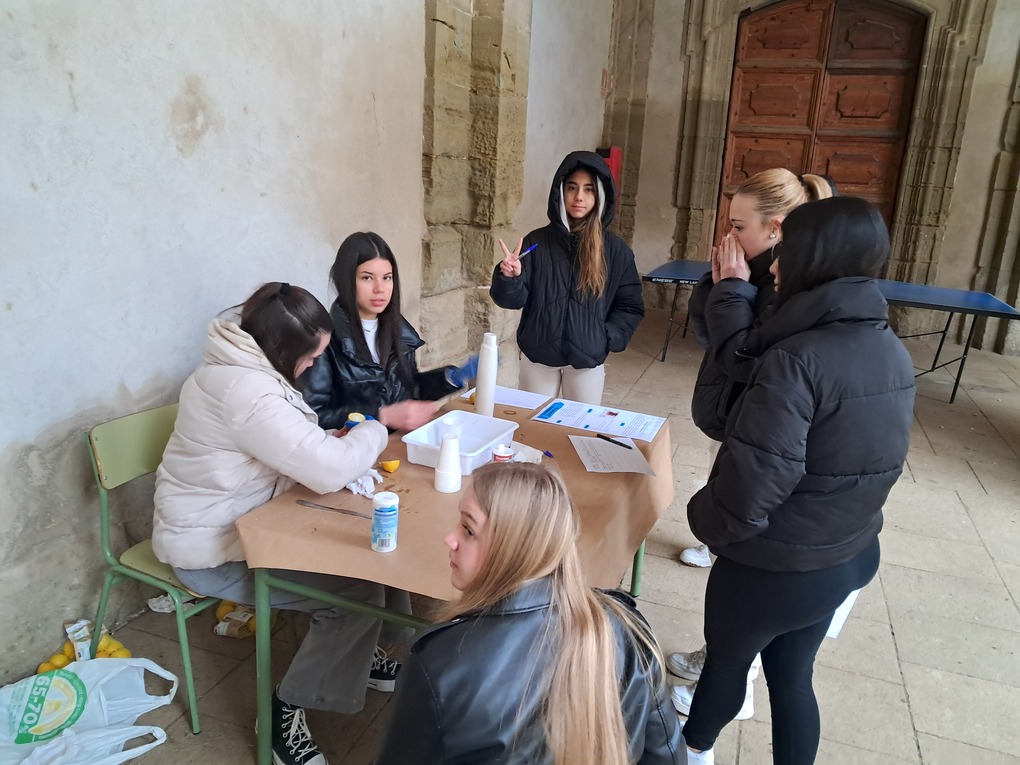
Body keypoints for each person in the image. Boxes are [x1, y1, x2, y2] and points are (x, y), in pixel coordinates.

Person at [679, 197, 916, 764]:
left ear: (815, 257)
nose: (776, 265)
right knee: (792, 677)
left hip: (777, 567)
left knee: (725, 669)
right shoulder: (890, 348)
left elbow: (749, 490)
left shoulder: (797, 358)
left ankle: (691, 751)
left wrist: (702, 518)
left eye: (787, 251)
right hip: (847, 555)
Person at [153, 282, 416, 765]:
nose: (313, 365)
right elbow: (328, 470)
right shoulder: (247, 392)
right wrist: (377, 426)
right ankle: (282, 713)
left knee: (372, 555)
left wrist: (331, 437)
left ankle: (362, 651)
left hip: (246, 523)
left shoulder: (238, 370)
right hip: (211, 551)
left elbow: (285, 441)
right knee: (356, 590)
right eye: (310, 357)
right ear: (282, 349)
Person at [374, 462, 686, 764]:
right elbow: (667, 753)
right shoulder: (625, 627)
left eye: (468, 530)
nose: (450, 538)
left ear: (513, 549)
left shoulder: (439, 666)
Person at [671, 170, 835, 726]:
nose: (728, 235)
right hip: (744, 427)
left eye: (738, 225)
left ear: (777, 229)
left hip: (770, 443)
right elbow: (710, 334)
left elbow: (744, 358)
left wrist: (734, 291)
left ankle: (732, 681)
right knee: (735, 558)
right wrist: (724, 284)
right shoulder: (749, 268)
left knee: (750, 571)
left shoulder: (790, 286)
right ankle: (722, 659)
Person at [490, 150, 644, 405]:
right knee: (533, 426)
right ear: (560, 191)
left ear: (600, 194)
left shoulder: (616, 251)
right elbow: (511, 300)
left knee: (580, 428)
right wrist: (510, 277)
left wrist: (605, 337)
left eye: (588, 189)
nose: (579, 197)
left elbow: (629, 306)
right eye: (572, 187)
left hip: (586, 361)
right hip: (538, 357)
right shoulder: (536, 243)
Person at [302, 231, 466, 431]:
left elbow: (409, 393)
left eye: (387, 278)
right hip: (356, 446)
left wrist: (448, 378)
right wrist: (380, 415)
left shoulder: (400, 332)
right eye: (367, 278)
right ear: (345, 280)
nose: (380, 288)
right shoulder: (324, 341)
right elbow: (313, 416)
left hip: (399, 442)